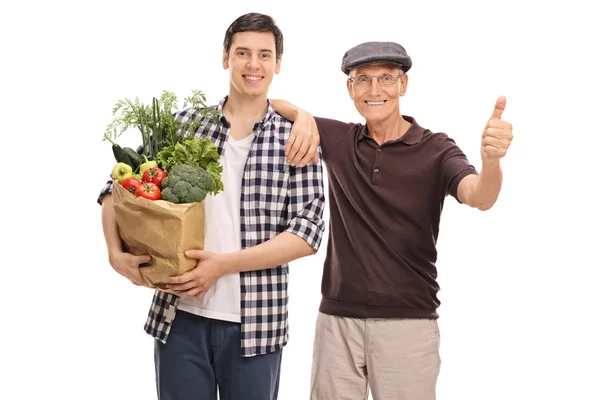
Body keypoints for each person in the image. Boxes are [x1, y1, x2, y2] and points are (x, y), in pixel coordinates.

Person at [97, 13, 325, 400]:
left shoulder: (297, 139)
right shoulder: (186, 125)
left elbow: (308, 232)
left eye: (265, 55)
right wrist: (114, 254)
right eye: (243, 53)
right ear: (225, 58)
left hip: (256, 324)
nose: (254, 64)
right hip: (179, 317)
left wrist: (222, 265)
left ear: (278, 64)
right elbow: (115, 189)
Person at [271, 41, 514, 400]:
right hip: (338, 322)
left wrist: (492, 161)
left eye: (386, 78)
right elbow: (270, 105)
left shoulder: (436, 149)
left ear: (403, 85)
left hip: (409, 325)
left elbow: (480, 196)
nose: (374, 90)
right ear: (350, 88)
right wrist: (304, 115)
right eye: (363, 79)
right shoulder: (341, 139)